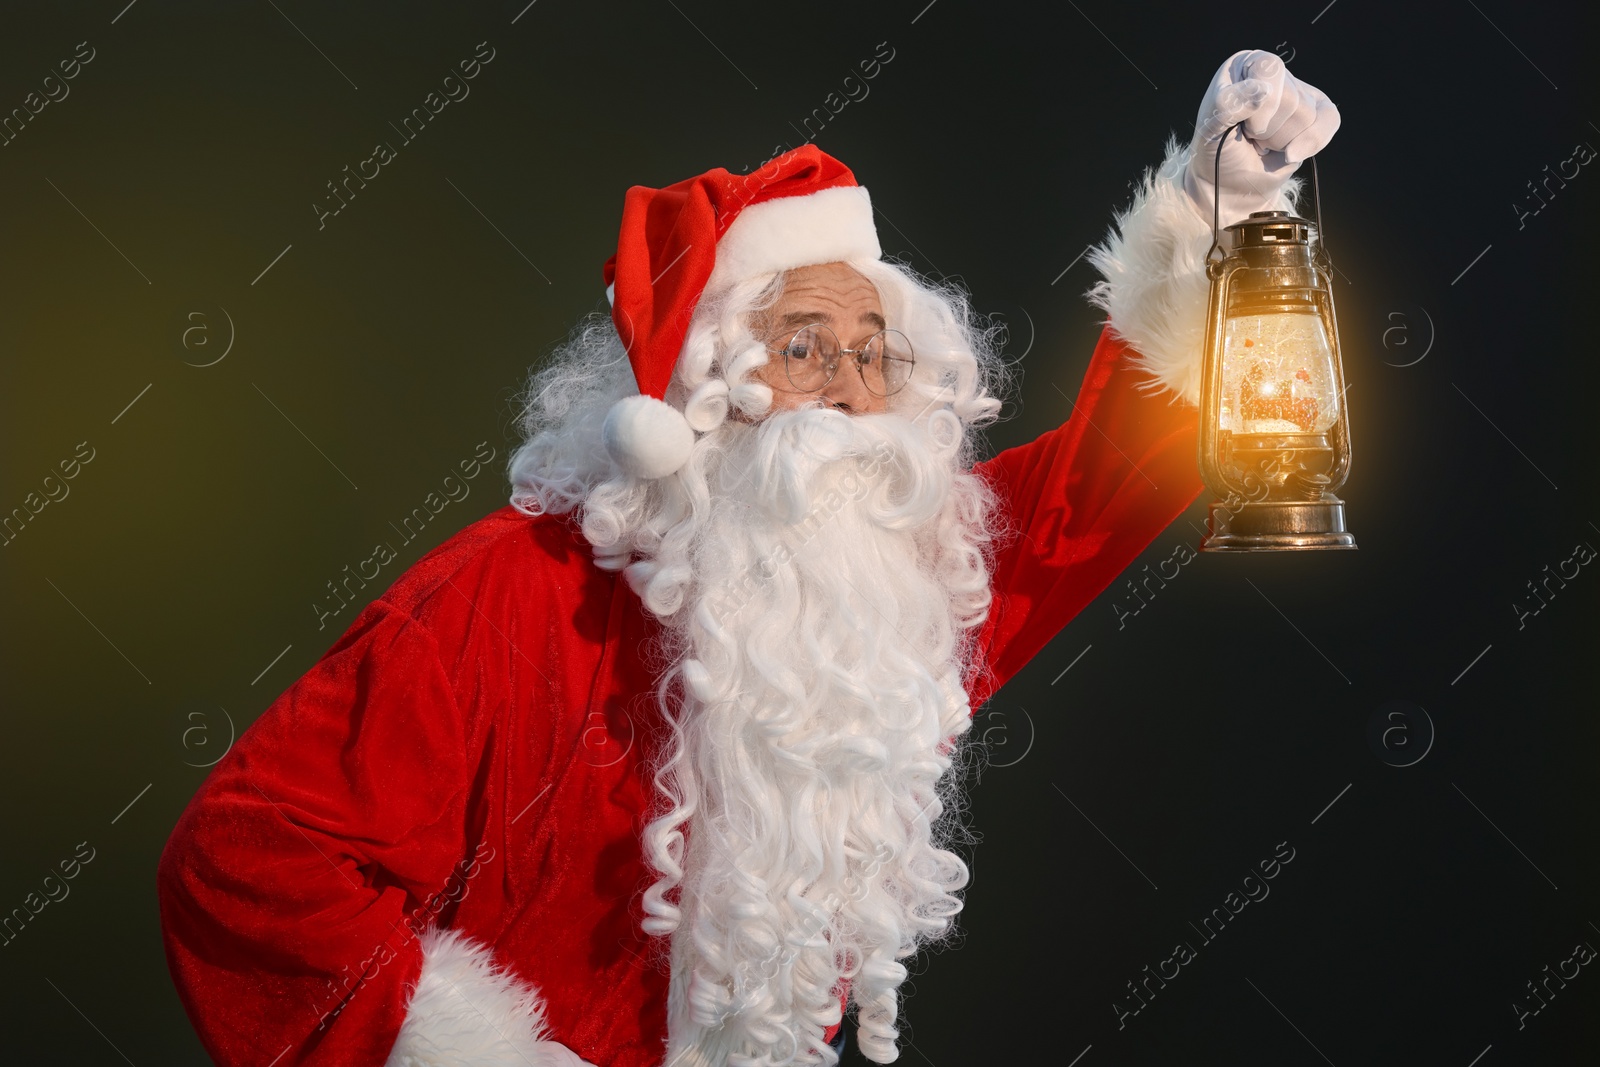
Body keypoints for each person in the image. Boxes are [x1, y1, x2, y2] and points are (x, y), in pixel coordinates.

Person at [157, 48, 1339, 1067]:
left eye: (874, 354)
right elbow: (249, 858)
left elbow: (1101, 486)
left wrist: (1219, 215)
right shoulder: (508, 589)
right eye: (801, 347)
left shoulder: (901, 587)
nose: (847, 390)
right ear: (698, 391)